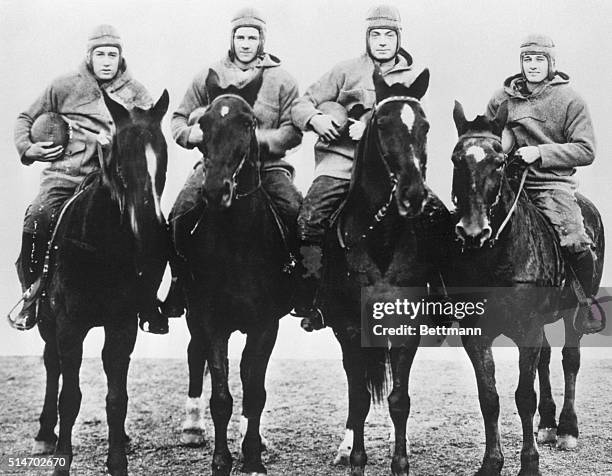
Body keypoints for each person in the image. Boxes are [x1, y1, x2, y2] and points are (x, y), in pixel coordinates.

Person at [13, 25, 168, 333]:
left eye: (113, 54)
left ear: (121, 58)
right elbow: (25, 119)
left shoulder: (136, 92)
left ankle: (148, 302)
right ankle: (31, 296)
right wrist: (29, 147)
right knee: (38, 216)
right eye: (101, 54)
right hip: (65, 175)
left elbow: (148, 133)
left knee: (156, 228)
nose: (107, 60)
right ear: (90, 56)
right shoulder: (63, 86)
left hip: (112, 183)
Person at [290, 4, 424, 330]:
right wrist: (316, 119)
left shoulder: (412, 77)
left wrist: (371, 123)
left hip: (390, 169)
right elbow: (300, 104)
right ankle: (315, 298)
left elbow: (413, 125)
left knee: (433, 219)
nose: (381, 41)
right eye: (375, 34)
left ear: (398, 38)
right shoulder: (345, 70)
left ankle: (441, 298)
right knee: (310, 219)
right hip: (341, 161)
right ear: (367, 37)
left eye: (388, 35)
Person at [164, 7, 303, 316]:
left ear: (261, 41)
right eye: (240, 36)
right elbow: (177, 118)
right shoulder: (208, 76)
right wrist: (193, 136)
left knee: (296, 211)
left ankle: (299, 283)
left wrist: (259, 141)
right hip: (215, 165)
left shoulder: (282, 80)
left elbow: (294, 131)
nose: (245, 43)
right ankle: (179, 283)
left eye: (252, 37)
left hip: (267, 168)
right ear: (232, 38)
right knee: (180, 211)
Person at [486, 34, 603, 333]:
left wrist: (540, 152)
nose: (533, 65)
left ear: (551, 63)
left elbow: (586, 149)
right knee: (468, 228)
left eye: (539, 59)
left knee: (576, 240)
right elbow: (486, 138)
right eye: (527, 59)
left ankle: (584, 303)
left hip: (552, 185)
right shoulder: (502, 98)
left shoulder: (570, 100)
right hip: (509, 184)